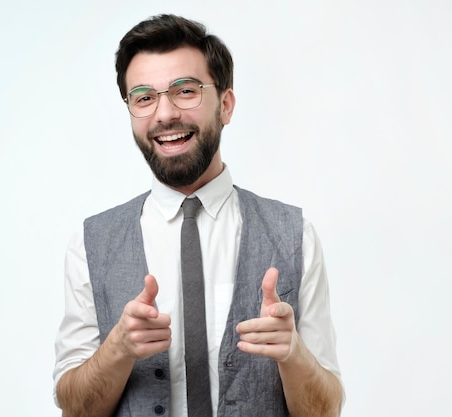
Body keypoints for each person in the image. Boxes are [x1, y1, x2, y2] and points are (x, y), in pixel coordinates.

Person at [53, 14, 343, 417]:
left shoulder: (295, 236)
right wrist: (117, 349)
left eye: (185, 91)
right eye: (143, 97)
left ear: (225, 105)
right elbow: (74, 409)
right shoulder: (90, 245)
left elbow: (326, 409)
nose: (165, 114)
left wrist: (293, 354)